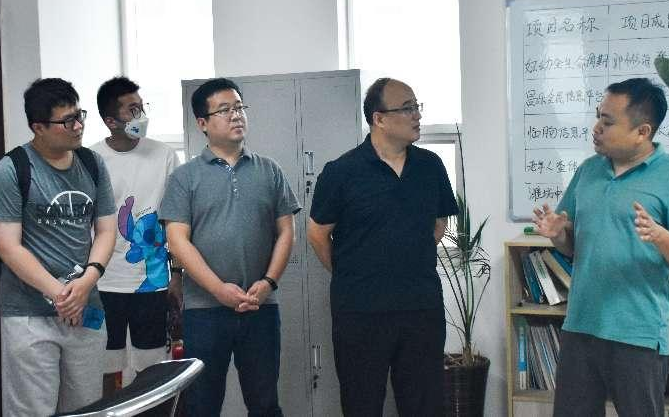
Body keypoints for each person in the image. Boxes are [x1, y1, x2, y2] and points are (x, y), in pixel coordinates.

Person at [532, 78, 669, 417]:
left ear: (642, 131)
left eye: (608, 121)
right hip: (581, 325)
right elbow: (572, 247)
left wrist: (660, 236)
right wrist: (557, 234)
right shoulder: (588, 171)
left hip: (637, 333)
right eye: (598, 116)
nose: (596, 128)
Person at [307, 78, 458, 416]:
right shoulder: (342, 171)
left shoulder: (430, 166)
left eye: (417, 106)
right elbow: (317, 234)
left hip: (420, 308)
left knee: (425, 405)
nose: (417, 115)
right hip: (360, 312)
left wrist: (406, 257)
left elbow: (438, 224)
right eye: (407, 108)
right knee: (362, 404)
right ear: (379, 119)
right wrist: (352, 271)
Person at [161, 78, 299, 416]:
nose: (236, 115)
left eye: (239, 107)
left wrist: (268, 283)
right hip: (204, 311)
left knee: (265, 404)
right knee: (203, 405)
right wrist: (218, 289)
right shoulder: (185, 177)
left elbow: (286, 231)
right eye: (224, 110)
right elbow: (177, 241)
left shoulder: (269, 170)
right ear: (203, 123)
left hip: (260, 307)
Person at [0, 78, 116, 415]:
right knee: (32, 410)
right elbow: (8, 247)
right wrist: (61, 294)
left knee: (87, 408)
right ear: (38, 127)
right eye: (67, 120)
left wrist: (86, 282)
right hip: (28, 313)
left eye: (79, 115)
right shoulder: (11, 169)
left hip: (85, 308)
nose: (78, 126)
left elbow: (106, 230)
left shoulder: (92, 163)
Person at [91, 77, 181, 396]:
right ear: (110, 120)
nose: (141, 116)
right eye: (132, 110)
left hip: (152, 282)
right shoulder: (91, 159)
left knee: (152, 366)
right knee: (104, 366)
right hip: (103, 282)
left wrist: (177, 273)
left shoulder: (164, 155)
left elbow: (175, 219)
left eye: (142, 107)